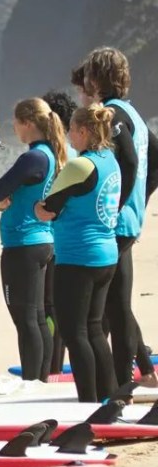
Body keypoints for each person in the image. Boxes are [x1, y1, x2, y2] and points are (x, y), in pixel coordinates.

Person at [82, 47, 158, 388]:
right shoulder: (133, 114)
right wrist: (139, 201)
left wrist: (120, 203)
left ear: (95, 79)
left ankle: (119, 381)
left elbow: (128, 160)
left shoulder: (110, 114)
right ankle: (137, 376)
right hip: (127, 221)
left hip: (114, 223)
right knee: (119, 304)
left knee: (107, 309)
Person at [35, 104, 120, 402]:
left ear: (84, 131)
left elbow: (48, 209)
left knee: (74, 333)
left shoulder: (79, 165)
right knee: (94, 329)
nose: (69, 136)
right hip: (106, 255)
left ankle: (88, 401)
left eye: (71, 130)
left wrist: (36, 207)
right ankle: (111, 398)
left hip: (78, 258)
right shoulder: (110, 160)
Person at [0, 98, 67, 381]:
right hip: (43, 241)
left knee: (27, 320)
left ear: (28, 123)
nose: (14, 127)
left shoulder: (33, 157)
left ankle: (33, 382)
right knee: (36, 318)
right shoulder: (52, 153)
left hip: (23, 244)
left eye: (16, 122)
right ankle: (41, 379)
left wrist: (3, 198)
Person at [41, 91, 79, 374]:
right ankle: (56, 364)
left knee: (49, 308)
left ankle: (52, 369)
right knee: (58, 308)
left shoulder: (52, 154)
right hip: (67, 240)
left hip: (52, 238)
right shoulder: (75, 151)